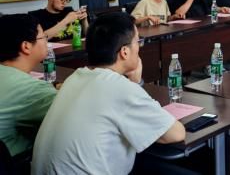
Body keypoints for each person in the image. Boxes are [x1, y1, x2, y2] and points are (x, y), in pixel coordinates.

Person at [31, 13, 185, 175]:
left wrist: (133, 84)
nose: (139, 46)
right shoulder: (120, 88)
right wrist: (134, 85)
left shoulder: (75, 78)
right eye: (138, 41)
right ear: (124, 52)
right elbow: (176, 134)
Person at [0, 14, 57, 157]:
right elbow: (73, 118)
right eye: (43, 37)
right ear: (26, 46)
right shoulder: (32, 90)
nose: (46, 41)